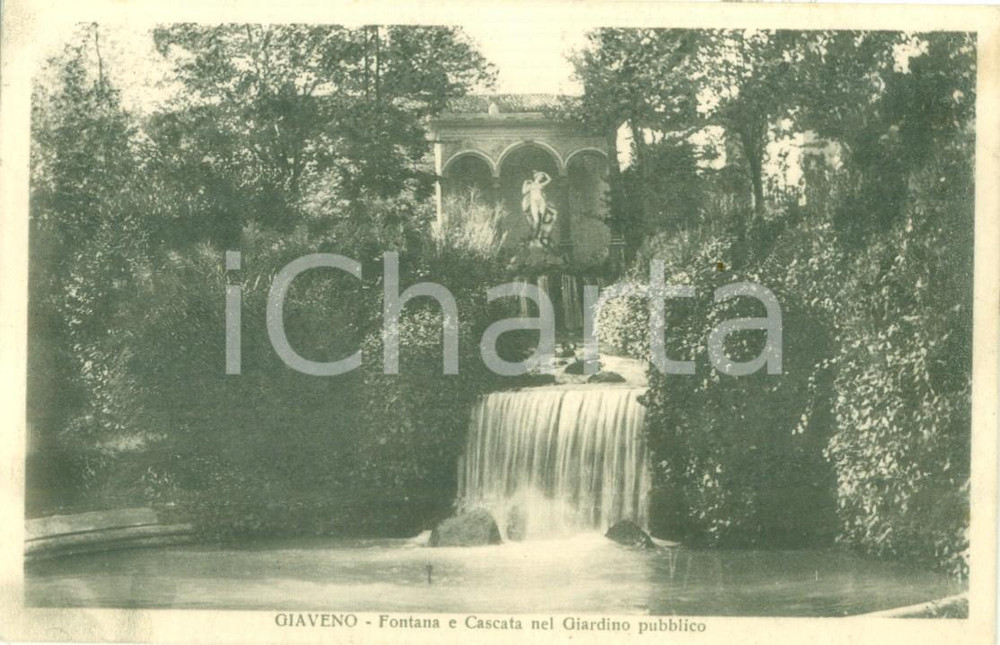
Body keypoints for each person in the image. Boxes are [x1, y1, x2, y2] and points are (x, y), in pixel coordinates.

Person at [521, 170, 553, 238]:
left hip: (541, 202)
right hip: (534, 202)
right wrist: (525, 183)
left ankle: (539, 236)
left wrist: (544, 173)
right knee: (536, 220)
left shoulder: (541, 185)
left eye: (542, 177)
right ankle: (533, 235)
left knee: (541, 220)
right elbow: (523, 192)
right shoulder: (531, 185)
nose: (541, 178)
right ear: (536, 176)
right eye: (540, 176)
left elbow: (550, 179)